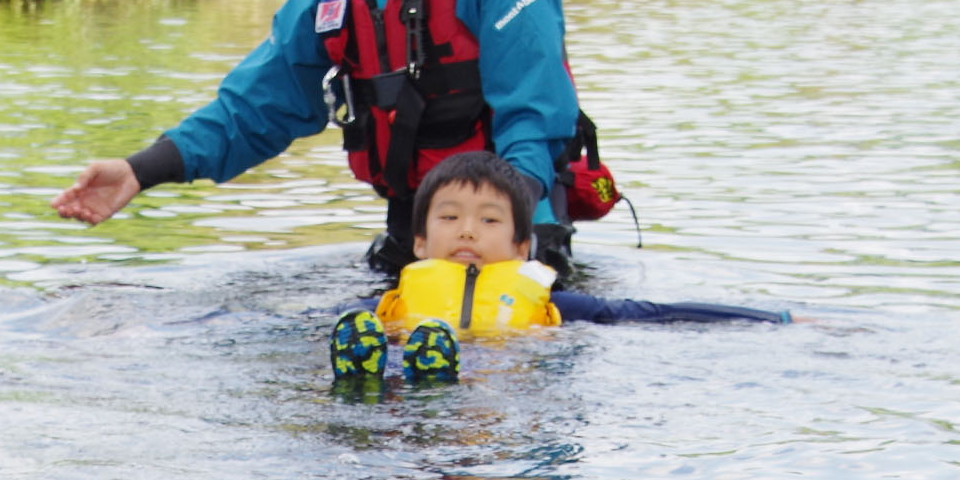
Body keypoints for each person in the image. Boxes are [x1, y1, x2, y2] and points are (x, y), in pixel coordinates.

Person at [52, 0, 591, 276]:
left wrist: (507, 236)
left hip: (516, 228)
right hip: (421, 234)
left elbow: (535, 110)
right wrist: (140, 170)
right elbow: (256, 107)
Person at [329, 151, 789, 383]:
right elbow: (298, 324)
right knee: (364, 332)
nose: (467, 232)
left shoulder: (548, 301)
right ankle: (370, 377)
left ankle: (413, 376)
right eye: (450, 218)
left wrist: (773, 318)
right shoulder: (390, 304)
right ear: (420, 243)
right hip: (408, 362)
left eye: (488, 220)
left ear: (521, 247)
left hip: (496, 382)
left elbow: (646, 313)